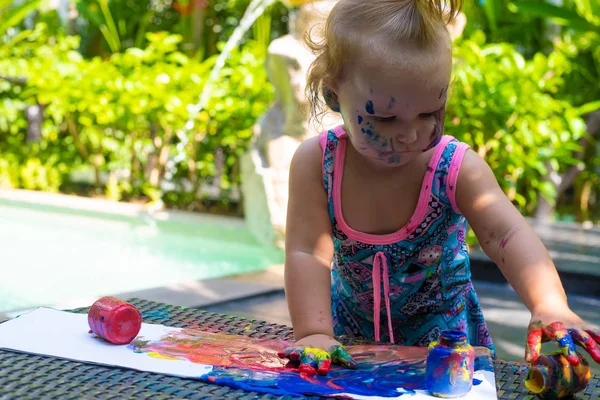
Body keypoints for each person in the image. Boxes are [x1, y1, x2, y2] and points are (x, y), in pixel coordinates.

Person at [278, 0, 600, 375]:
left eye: (431, 112)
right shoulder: (319, 164)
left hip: (448, 357)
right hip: (349, 349)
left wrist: (549, 303)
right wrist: (314, 333)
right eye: (385, 117)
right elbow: (306, 252)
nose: (412, 132)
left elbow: (508, 235)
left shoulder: (453, 168)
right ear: (334, 95)